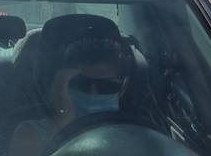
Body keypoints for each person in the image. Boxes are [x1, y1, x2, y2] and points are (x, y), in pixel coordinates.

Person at [9, 15, 135, 156]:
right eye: (82, 84)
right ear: (59, 84)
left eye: (107, 86)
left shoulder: (139, 133)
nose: (93, 93)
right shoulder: (30, 134)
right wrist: (63, 119)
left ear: (122, 87)